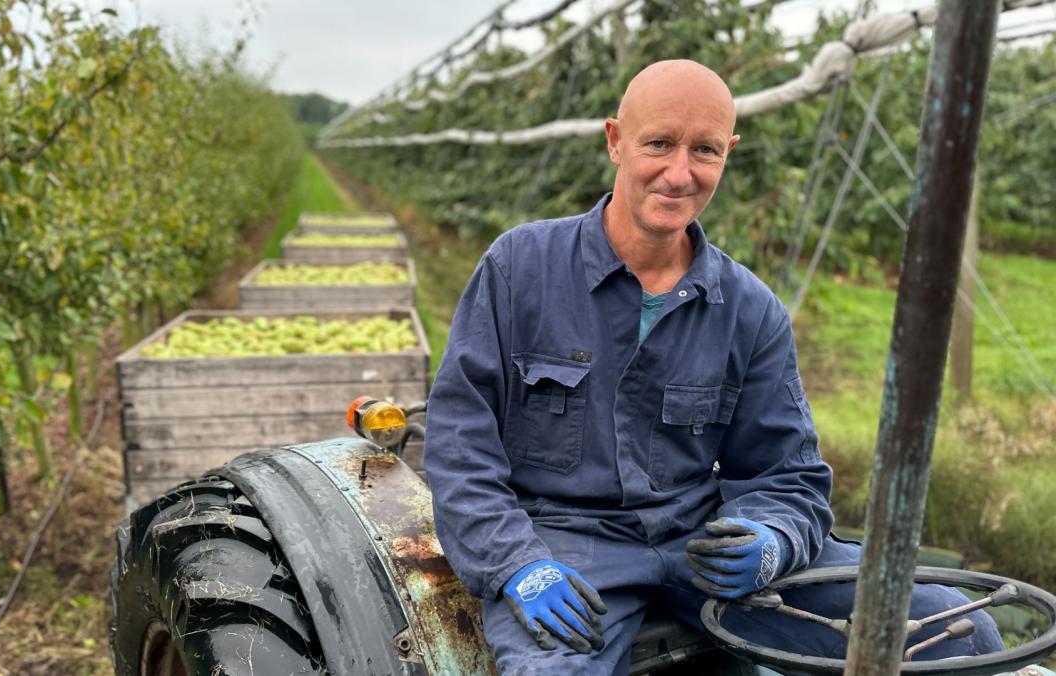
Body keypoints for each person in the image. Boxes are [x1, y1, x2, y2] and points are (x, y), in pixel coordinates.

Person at [423, 59, 1003, 675]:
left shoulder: (750, 310)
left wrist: (769, 543)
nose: (679, 174)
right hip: (566, 548)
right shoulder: (521, 268)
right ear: (615, 140)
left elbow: (788, 475)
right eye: (659, 144)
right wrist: (515, 564)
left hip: (699, 544)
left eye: (704, 150)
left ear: (729, 152)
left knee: (954, 629)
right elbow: (461, 443)